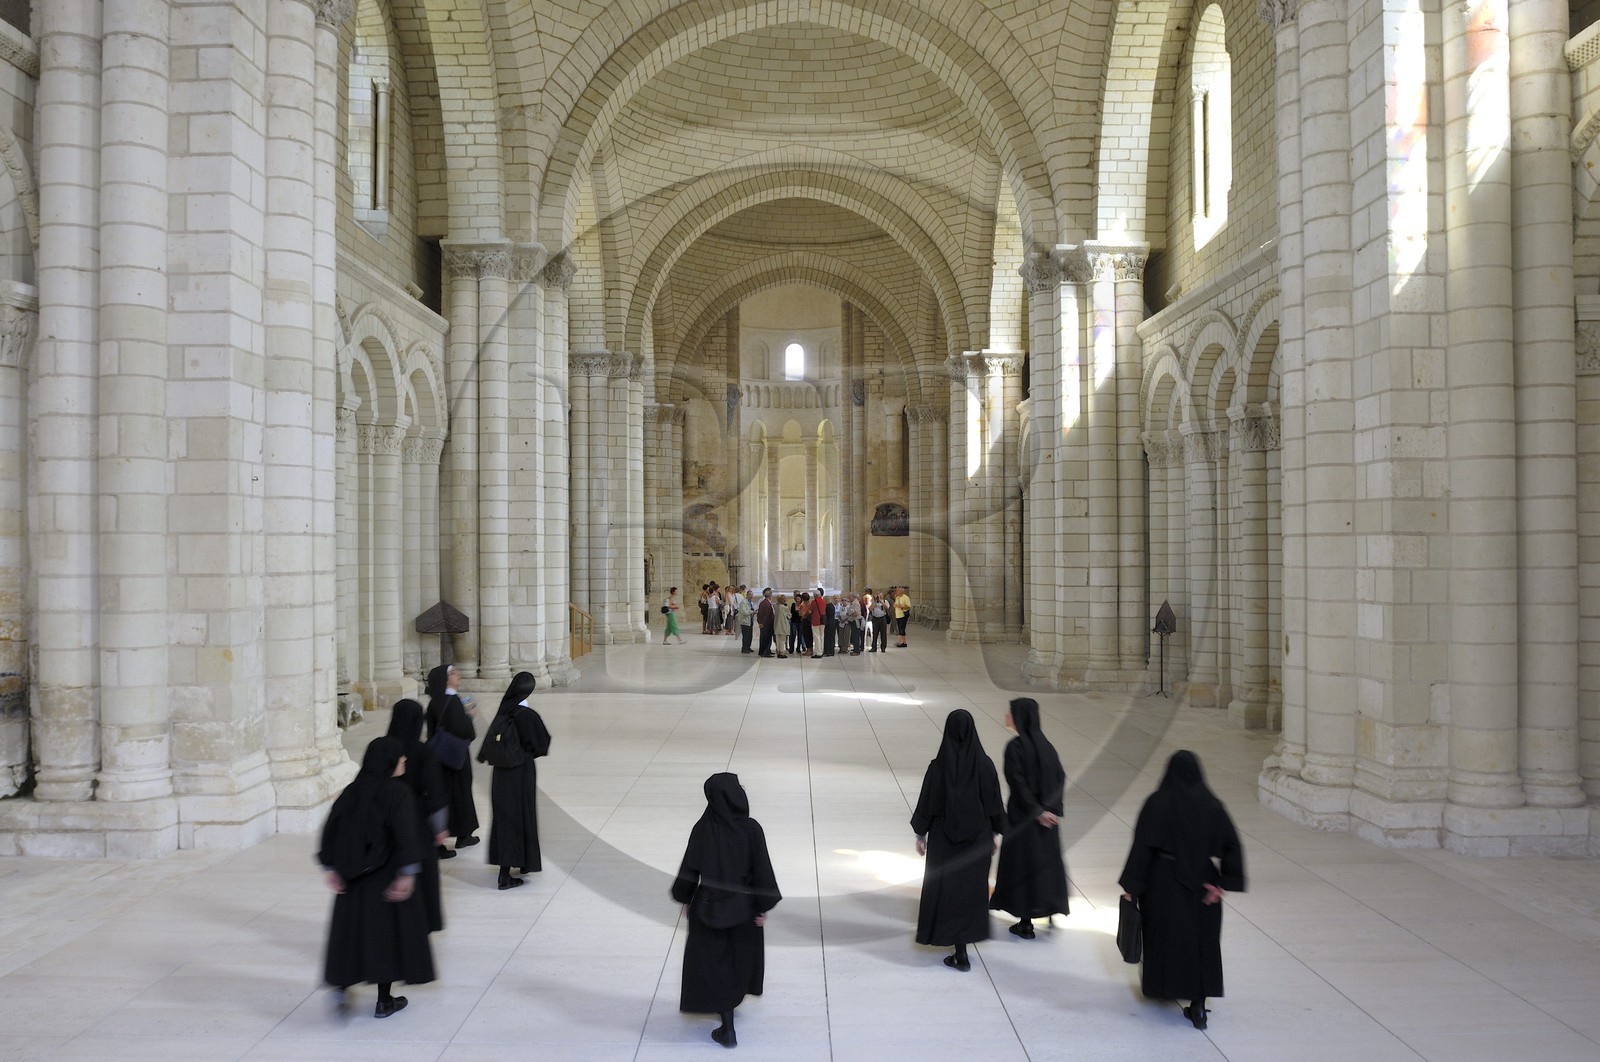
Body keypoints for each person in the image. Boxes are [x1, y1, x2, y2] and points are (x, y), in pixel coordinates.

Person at [1119, 750, 1246, 1031]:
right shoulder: (1212, 805)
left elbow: (1142, 848)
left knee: (1166, 939)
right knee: (1201, 944)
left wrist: (1132, 887)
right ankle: (1198, 1007)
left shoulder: (1157, 803)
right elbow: (1232, 845)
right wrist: (1223, 884)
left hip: (1163, 883)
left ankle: (1166, 987)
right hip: (1202, 883)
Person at [318, 736, 435, 1019]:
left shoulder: (351, 791)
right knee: (385, 938)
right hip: (385, 878)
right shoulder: (397, 793)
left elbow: (330, 832)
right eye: (400, 756)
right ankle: (384, 1001)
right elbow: (406, 836)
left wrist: (331, 868)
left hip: (351, 881)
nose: (404, 760)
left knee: (350, 936)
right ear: (389, 761)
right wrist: (406, 874)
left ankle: (341, 989)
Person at [671, 773, 782, 1049]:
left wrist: (685, 897)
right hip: (743, 910)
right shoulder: (752, 829)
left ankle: (726, 1026)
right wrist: (762, 906)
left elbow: (689, 869)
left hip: (708, 907)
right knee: (736, 960)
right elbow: (762, 871)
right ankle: (729, 1016)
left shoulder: (703, 829)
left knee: (712, 962)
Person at [911, 709, 1005, 971]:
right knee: (970, 891)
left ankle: (954, 947)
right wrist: (996, 833)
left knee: (947, 891)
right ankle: (964, 946)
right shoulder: (985, 766)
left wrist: (921, 834)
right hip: (978, 840)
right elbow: (994, 805)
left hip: (944, 841)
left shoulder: (938, 768)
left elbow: (927, 805)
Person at [989, 698, 1069, 938]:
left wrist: (1037, 812)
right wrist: (1052, 811)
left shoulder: (1015, 747)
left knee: (1023, 867)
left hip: (1024, 820)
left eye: (1010, 712)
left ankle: (1025, 923)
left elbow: (1018, 784)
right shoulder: (1048, 746)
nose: (1006, 716)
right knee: (1045, 865)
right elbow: (1060, 778)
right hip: (1047, 822)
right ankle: (1049, 910)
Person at [484, 671, 553, 890]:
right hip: (521, 772)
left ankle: (519, 862)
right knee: (520, 816)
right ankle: (505, 876)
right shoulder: (527, 715)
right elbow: (542, 743)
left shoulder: (503, 711)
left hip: (501, 774)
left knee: (505, 818)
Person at [386, 699, 449, 933]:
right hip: (417, 821)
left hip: (386, 820)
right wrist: (440, 827)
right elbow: (435, 792)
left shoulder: (383, 747)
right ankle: (423, 921)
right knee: (422, 873)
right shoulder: (423, 751)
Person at [424, 664, 479, 852]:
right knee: (460, 793)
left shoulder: (434, 702)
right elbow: (465, 730)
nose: (459, 675)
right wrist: (470, 717)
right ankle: (464, 834)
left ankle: (440, 835)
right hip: (456, 757)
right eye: (454, 673)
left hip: (438, 755)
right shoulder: (453, 701)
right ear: (446, 679)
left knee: (442, 795)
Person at [755, 588, 775, 657]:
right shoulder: (766, 603)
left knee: (766, 638)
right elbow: (765, 615)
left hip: (766, 623)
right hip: (766, 624)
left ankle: (766, 650)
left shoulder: (765, 602)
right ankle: (765, 652)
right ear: (769, 596)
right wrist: (761, 623)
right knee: (766, 638)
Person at [772, 594, 791, 659]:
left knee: (778, 639)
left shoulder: (776, 606)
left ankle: (779, 651)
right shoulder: (785, 608)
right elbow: (789, 616)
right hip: (783, 625)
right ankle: (782, 652)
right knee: (783, 639)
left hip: (777, 624)